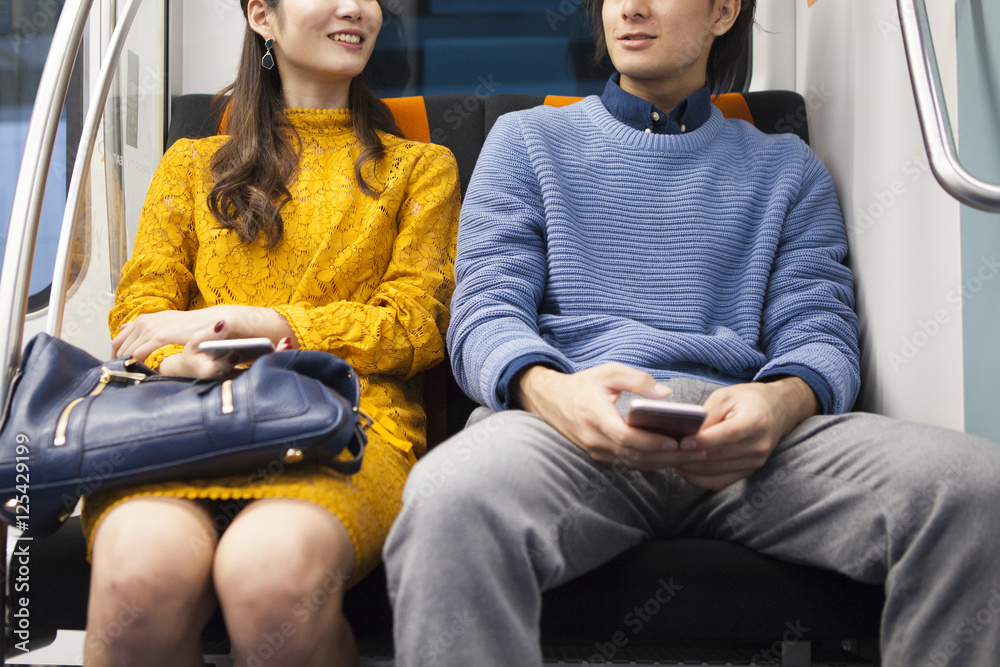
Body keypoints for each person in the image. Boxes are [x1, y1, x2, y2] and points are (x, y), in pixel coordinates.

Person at [382, 0, 1000, 665]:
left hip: (748, 440)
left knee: (975, 487)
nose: (632, 8)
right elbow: (483, 315)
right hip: (568, 430)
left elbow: (820, 331)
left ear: (724, 12)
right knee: (448, 500)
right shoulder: (527, 141)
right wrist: (554, 394)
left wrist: (777, 403)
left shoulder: (787, 167)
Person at [82, 1, 460, 665]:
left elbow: (416, 327)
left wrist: (263, 323)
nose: (357, 9)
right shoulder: (188, 165)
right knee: (137, 581)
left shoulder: (420, 169)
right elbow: (141, 312)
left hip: (347, 423)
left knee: (270, 579)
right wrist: (182, 358)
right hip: (187, 420)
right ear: (262, 14)